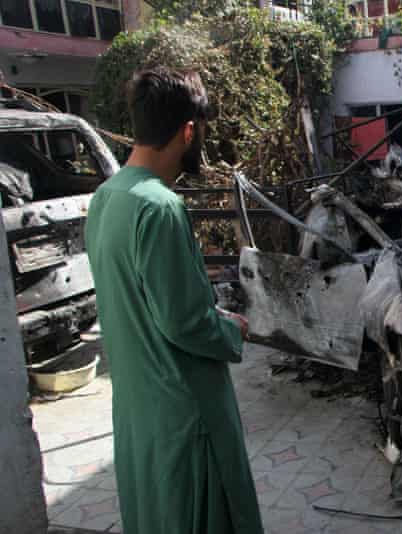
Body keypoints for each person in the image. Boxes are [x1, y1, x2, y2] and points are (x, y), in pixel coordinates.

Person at [85, 67, 263, 534]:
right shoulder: (159, 206)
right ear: (188, 131)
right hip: (184, 411)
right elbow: (184, 323)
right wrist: (229, 327)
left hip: (139, 406)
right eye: (201, 131)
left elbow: (143, 300)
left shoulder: (106, 197)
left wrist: (206, 312)